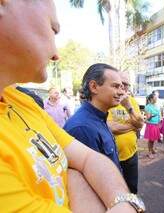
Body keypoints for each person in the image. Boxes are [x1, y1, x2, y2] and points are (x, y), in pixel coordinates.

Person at [0, 1, 144, 212]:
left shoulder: (21, 101)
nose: (56, 54)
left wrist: (74, 173)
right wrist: (74, 173)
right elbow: (79, 164)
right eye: (53, 29)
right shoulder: (81, 126)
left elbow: (86, 160)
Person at [64, 63, 123, 170]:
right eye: (115, 86)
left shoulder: (99, 117)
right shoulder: (82, 128)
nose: (121, 92)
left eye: (121, 87)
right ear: (94, 87)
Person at [108, 72, 144, 194]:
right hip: (112, 156)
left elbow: (140, 124)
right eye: (120, 84)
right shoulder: (109, 101)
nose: (123, 87)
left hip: (131, 154)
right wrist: (133, 126)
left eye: (126, 85)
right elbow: (111, 128)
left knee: (132, 188)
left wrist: (128, 106)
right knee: (115, 190)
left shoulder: (132, 101)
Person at [144, 93, 161, 159]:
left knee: (153, 139)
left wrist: (159, 121)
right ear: (151, 99)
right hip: (151, 125)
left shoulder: (155, 105)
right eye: (155, 97)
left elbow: (158, 114)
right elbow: (148, 118)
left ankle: (152, 149)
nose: (156, 98)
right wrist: (151, 115)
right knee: (151, 139)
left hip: (155, 124)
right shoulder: (148, 106)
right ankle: (149, 152)